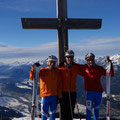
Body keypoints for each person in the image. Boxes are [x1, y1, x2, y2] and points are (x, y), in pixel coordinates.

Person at [77, 53, 114, 120]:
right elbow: (74, 66)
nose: (90, 61)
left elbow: (110, 74)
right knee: (89, 110)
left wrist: (110, 64)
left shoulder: (99, 68)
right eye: (88, 60)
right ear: (87, 61)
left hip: (98, 93)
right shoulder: (84, 68)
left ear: (94, 59)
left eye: (91, 59)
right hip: (89, 93)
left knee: (96, 111)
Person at [30, 55, 62, 120]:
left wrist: (59, 96)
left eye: (54, 62)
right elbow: (32, 77)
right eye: (50, 62)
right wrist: (34, 68)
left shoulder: (57, 72)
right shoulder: (43, 70)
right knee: (44, 115)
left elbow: (59, 85)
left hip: (54, 96)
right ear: (47, 62)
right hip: (45, 96)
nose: (52, 63)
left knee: (52, 115)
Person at [59, 50, 82, 120]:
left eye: (71, 57)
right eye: (68, 57)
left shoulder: (76, 67)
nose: (69, 58)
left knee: (71, 111)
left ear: (73, 57)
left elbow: (85, 69)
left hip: (72, 92)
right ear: (65, 58)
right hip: (63, 92)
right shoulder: (60, 68)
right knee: (63, 112)